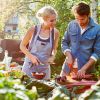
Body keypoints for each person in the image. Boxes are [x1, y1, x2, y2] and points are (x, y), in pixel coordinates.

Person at [60, 2, 100, 78]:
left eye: (82, 19)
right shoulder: (71, 24)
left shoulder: (97, 29)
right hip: (67, 68)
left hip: (86, 72)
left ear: (88, 15)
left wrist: (84, 69)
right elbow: (64, 42)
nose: (79, 22)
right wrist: (68, 56)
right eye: (76, 18)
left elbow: (97, 53)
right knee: (61, 88)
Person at [20, 6, 59, 80]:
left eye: (55, 20)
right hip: (29, 68)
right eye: (51, 21)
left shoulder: (56, 33)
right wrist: (31, 56)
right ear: (44, 19)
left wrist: (52, 57)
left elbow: (54, 49)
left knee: (45, 91)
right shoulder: (33, 30)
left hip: (44, 69)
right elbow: (22, 45)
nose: (54, 22)